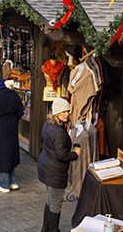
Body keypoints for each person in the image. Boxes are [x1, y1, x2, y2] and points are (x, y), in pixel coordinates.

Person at [37, 98, 81, 232]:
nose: (67, 114)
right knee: (56, 203)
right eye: (64, 111)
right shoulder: (59, 132)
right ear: (57, 113)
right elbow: (62, 155)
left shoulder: (48, 124)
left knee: (51, 200)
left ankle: (46, 228)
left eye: (68, 111)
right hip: (54, 172)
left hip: (45, 167)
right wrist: (75, 154)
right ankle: (53, 230)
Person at [0, 71, 24, 193]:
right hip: (12, 126)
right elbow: (21, 109)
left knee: (2, 154)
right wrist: (14, 119)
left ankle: (4, 184)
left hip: (0, 127)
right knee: (10, 152)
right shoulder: (13, 94)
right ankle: (13, 181)